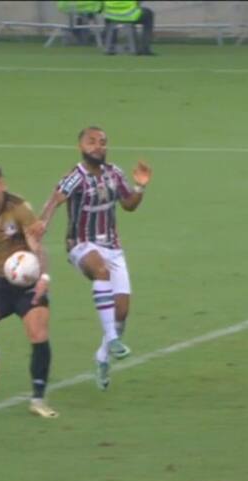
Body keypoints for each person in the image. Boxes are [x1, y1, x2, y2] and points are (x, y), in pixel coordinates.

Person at [36, 126, 151, 392]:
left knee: (122, 312)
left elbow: (129, 205)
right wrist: (42, 223)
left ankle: (102, 357)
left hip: (113, 248)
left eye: (102, 142)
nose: (98, 146)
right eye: (92, 142)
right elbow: (55, 200)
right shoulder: (75, 177)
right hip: (80, 245)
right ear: (81, 146)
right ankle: (112, 339)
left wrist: (140, 186)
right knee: (100, 270)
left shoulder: (115, 173)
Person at [0, 162, 58, 419]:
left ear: (3, 185)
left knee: (38, 333)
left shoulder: (19, 208)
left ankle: (38, 399)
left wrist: (44, 276)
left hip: (28, 280)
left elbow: (37, 246)